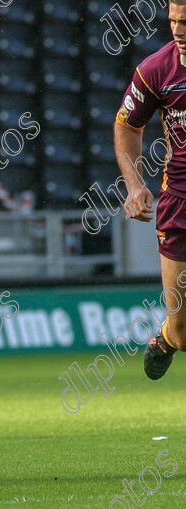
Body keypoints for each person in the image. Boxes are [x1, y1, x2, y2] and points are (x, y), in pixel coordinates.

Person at [114, 0, 186, 380]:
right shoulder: (157, 69)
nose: (178, 30)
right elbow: (127, 126)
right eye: (173, 21)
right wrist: (135, 184)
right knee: (183, 330)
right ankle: (166, 338)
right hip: (179, 202)